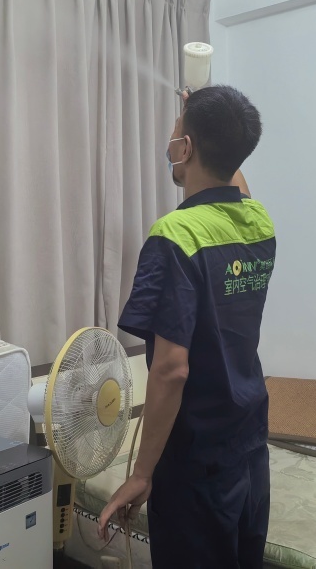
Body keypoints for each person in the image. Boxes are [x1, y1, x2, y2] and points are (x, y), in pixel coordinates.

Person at [98, 85, 276, 568]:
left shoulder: (174, 236)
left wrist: (142, 474)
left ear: (187, 148)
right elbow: (234, 178)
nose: (170, 141)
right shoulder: (258, 221)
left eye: (176, 133)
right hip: (250, 450)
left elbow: (171, 369)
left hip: (196, 465)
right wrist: (204, 119)